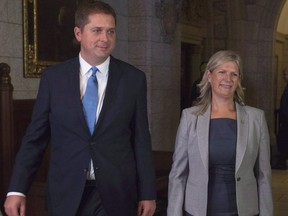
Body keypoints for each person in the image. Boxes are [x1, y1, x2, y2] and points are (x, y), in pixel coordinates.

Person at [4, 1, 156, 216]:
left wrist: (147, 192)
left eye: (111, 31)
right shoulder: (53, 79)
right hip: (66, 191)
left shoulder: (133, 79)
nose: (105, 38)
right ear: (78, 33)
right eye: (97, 31)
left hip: (115, 192)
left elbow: (141, 139)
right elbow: (34, 138)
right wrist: (16, 189)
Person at [167, 50, 273, 216]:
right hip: (198, 210)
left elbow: (264, 176)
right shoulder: (190, 117)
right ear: (209, 76)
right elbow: (178, 174)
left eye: (234, 74)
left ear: (238, 80)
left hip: (243, 210)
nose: (228, 79)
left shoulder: (255, 118)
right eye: (222, 72)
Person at [273, 67, 288, 170]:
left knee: (283, 140)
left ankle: (282, 162)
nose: (284, 76)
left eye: (286, 74)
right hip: (284, 119)